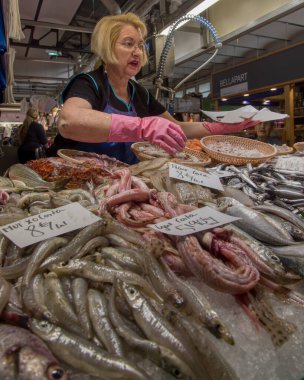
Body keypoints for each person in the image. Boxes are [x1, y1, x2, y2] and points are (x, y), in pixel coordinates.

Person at [47, 13, 259, 164]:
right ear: (107, 48)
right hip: (78, 177)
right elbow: (69, 122)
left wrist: (219, 128)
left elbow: (178, 129)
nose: (137, 52)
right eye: (128, 44)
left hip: (123, 178)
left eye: (140, 45)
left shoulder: (139, 93)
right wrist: (142, 126)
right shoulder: (89, 83)